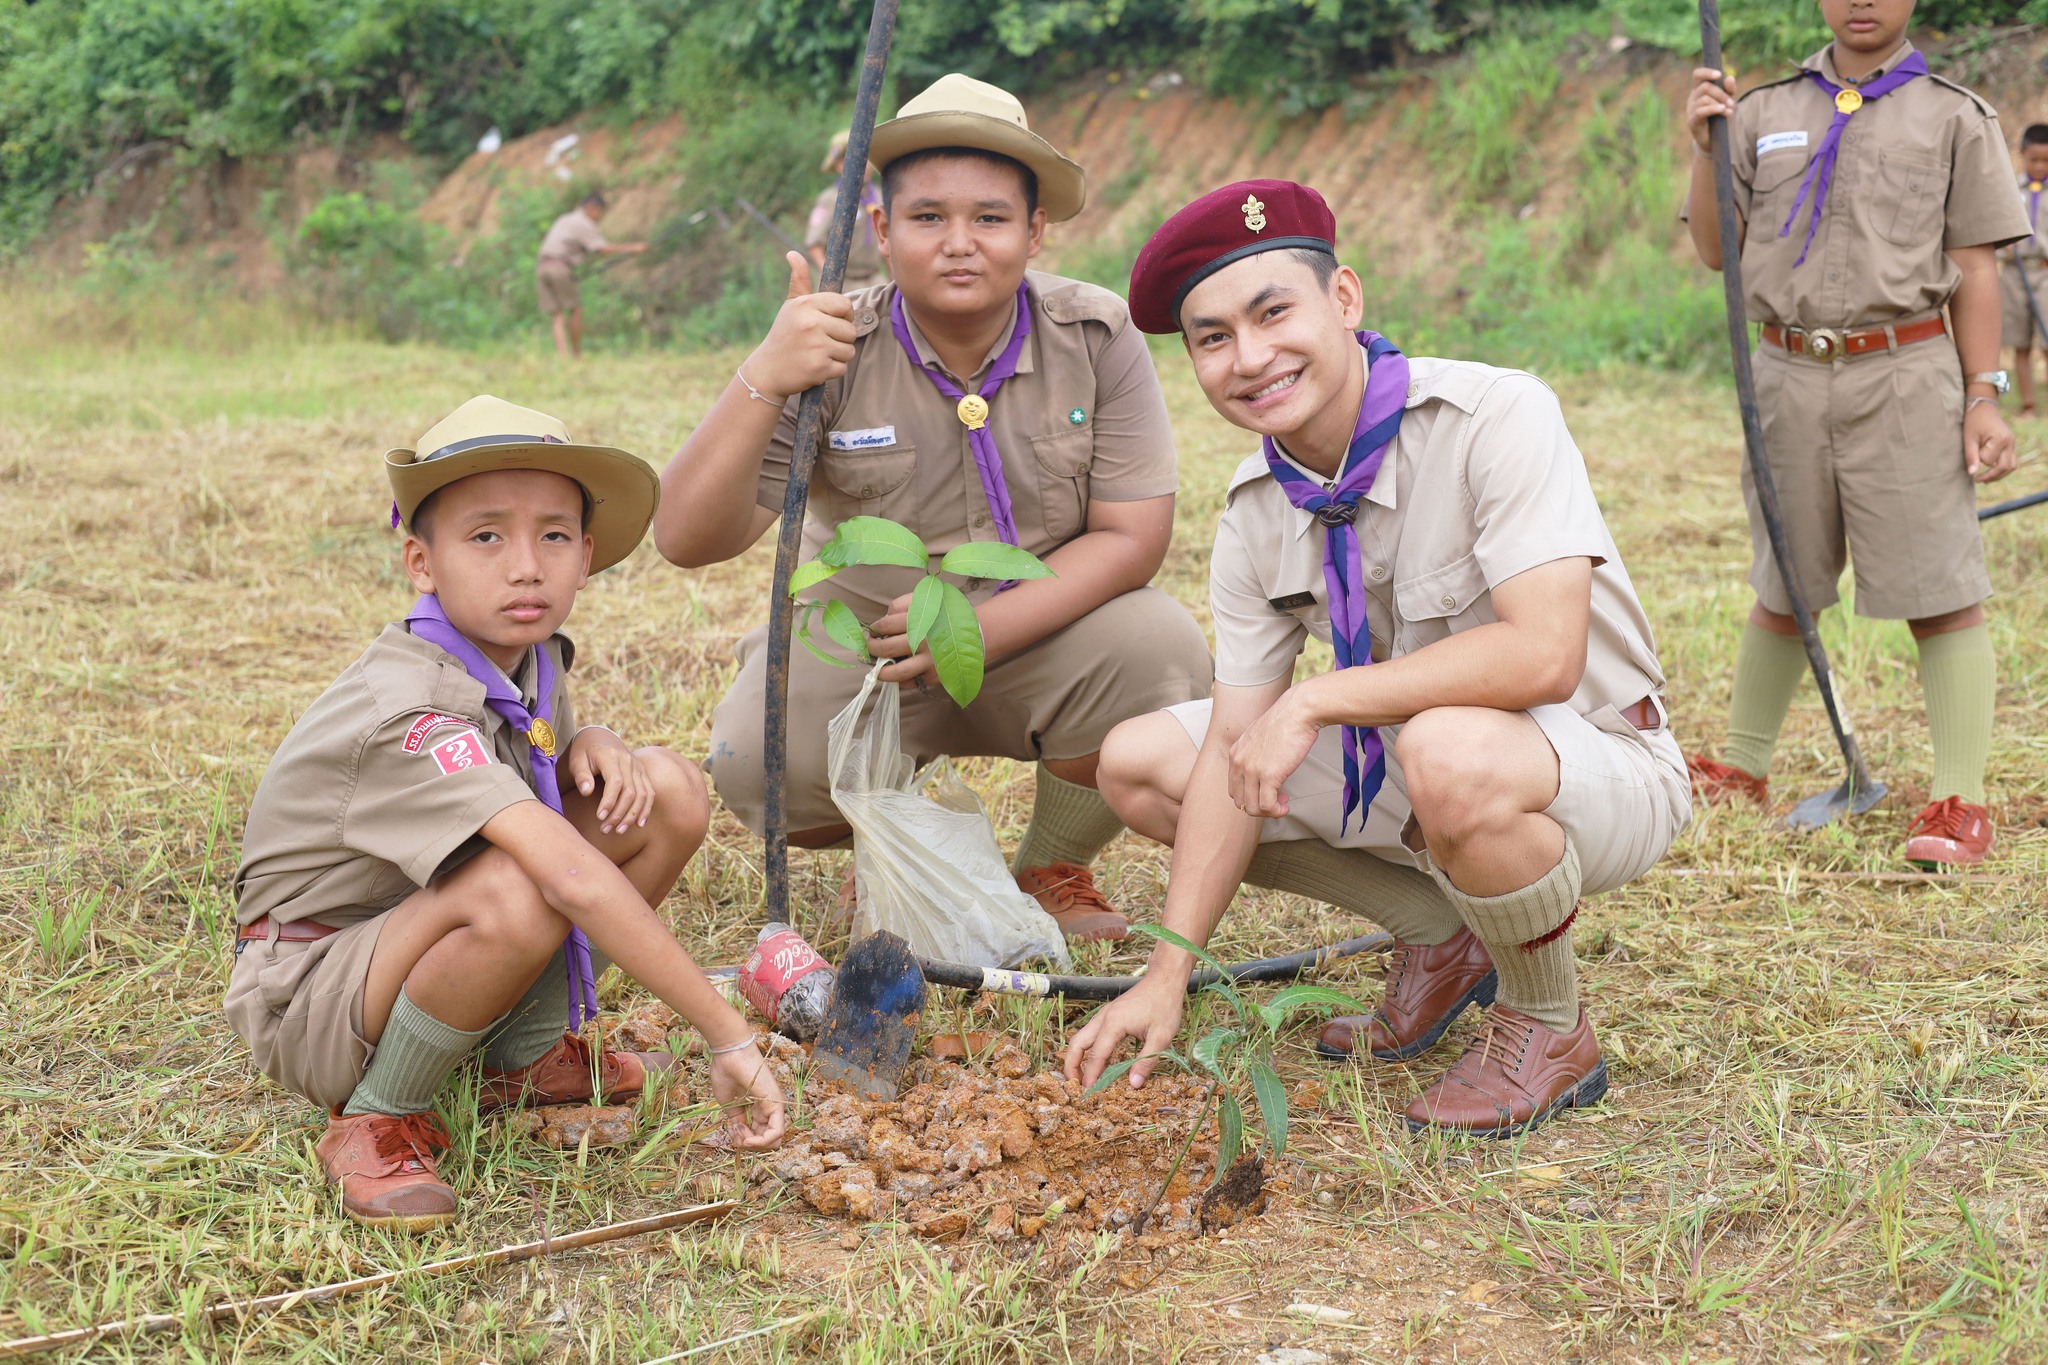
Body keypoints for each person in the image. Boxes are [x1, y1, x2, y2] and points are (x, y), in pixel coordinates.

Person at [1061, 181, 1690, 1138]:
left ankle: (1547, 1022)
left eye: (1274, 313)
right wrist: (1166, 971)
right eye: (1213, 337)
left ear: (1344, 299)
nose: (1251, 357)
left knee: (1448, 749)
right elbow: (1234, 743)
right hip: (1422, 765)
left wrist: (1318, 697)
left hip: (1596, 760)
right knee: (1142, 764)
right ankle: (1441, 934)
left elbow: (1544, 655)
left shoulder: (1495, 416)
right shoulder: (1256, 510)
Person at [655, 74, 1212, 943]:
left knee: (1163, 653)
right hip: (874, 648)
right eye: (927, 217)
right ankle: (893, 849)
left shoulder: (1095, 334)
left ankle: (1050, 867)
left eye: (990, 218)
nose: (960, 243)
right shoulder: (832, 345)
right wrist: (764, 374)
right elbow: (686, 539)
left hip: (1041, 630)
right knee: (757, 760)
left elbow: (1132, 537)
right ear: (881, 230)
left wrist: (976, 632)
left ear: (1034, 231)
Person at [226, 395, 784, 1230]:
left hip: (413, 927)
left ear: (586, 555)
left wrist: (589, 739)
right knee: (520, 884)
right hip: (308, 991)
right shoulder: (409, 707)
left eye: (553, 535)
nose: (526, 566)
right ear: (422, 562)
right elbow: (565, 871)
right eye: (486, 536)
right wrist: (725, 1031)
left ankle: (519, 1056)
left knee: (664, 789)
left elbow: (531, 771)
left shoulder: (529, 655)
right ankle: (377, 1114)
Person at [1680, 0, 2028, 868]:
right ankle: (1744, 765)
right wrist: (1705, 147)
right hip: (1786, 372)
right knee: (1785, 576)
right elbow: (1720, 252)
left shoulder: (1955, 116)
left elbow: (1976, 267)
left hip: (1906, 372)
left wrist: (1983, 395)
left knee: (1939, 584)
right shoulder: (1759, 111)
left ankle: (1960, 798)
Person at [536, 192, 648, 359]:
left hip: (542, 267)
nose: (599, 218)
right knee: (575, 309)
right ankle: (576, 355)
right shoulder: (583, 223)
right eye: (600, 213)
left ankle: (562, 356)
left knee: (557, 314)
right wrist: (633, 248)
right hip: (559, 267)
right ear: (591, 208)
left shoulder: (565, 219)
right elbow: (601, 249)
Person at [2001, 125, 2048, 415]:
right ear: (2022, 155)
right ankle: (2028, 405)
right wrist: (2003, 247)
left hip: (2045, 273)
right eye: (2034, 160)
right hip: (2013, 274)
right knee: (2020, 343)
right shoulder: (2008, 190)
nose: (2040, 166)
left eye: (2046, 160)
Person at [807, 129, 889, 293]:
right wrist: (830, 278)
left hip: (874, 279)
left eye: (867, 158)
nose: (865, 165)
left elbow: (888, 240)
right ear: (839, 165)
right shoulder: (831, 199)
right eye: (858, 158)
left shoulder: (880, 196)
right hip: (844, 282)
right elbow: (814, 244)